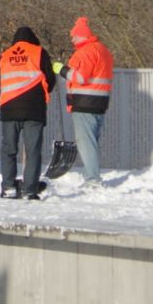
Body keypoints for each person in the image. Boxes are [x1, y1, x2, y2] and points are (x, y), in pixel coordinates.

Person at [0, 25, 57, 200]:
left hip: (9, 109)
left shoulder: (5, 55)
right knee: (32, 151)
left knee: (9, 150)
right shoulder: (39, 52)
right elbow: (50, 80)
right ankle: (30, 189)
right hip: (33, 109)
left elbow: (0, 83)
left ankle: (8, 187)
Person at [64, 16, 115, 186]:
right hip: (99, 102)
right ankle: (90, 175)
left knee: (85, 142)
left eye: (74, 36)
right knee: (91, 141)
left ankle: (93, 179)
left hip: (85, 103)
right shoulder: (103, 50)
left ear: (82, 36)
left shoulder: (86, 52)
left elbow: (80, 77)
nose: (72, 39)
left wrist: (62, 70)